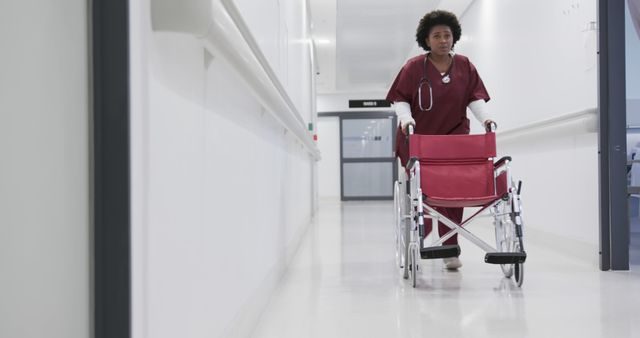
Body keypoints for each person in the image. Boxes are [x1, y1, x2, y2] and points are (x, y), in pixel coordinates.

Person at [386, 10, 495, 270]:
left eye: (447, 35)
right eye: (437, 36)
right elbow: (400, 98)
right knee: (424, 194)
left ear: (454, 37)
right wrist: (405, 120)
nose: (443, 40)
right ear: (427, 39)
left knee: (454, 193)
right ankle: (419, 239)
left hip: (455, 139)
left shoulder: (465, 65)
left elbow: (474, 98)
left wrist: (487, 120)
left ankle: (448, 247)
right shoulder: (414, 67)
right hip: (420, 139)